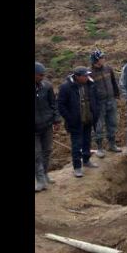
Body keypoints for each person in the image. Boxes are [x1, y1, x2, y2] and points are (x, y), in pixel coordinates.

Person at [58, 67, 100, 177]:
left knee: (87, 141)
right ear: (77, 76)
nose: (87, 77)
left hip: (88, 119)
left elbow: (96, 99)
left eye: (87, 75)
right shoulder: (66, 87)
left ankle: (86, 160)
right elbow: (61, 105)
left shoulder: (90, 85)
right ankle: (77, 167)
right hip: (76, 122)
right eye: (84, 76)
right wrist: (70, 118)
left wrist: (96, 112)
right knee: (77, 144)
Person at [89, 50, 121, 157]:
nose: (104, 59)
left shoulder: (108, 69)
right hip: (99, 103)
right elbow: (89, 91)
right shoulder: (90, 74)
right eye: (101, 58)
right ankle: (99, 148)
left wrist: (116, 94)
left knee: (112, 123)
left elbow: (113, 82)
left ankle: (112, 144)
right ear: (96, 60)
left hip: (110, 100)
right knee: (98, 126)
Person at [35, 62, 61, 191]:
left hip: (46, 125)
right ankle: (40, 180)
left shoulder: (47, 87)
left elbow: (54, 104)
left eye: (43, 75)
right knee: (36, 154)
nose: (42, 77)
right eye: (40, 75)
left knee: (47, 151)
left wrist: (56, 120)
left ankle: (45, 174)